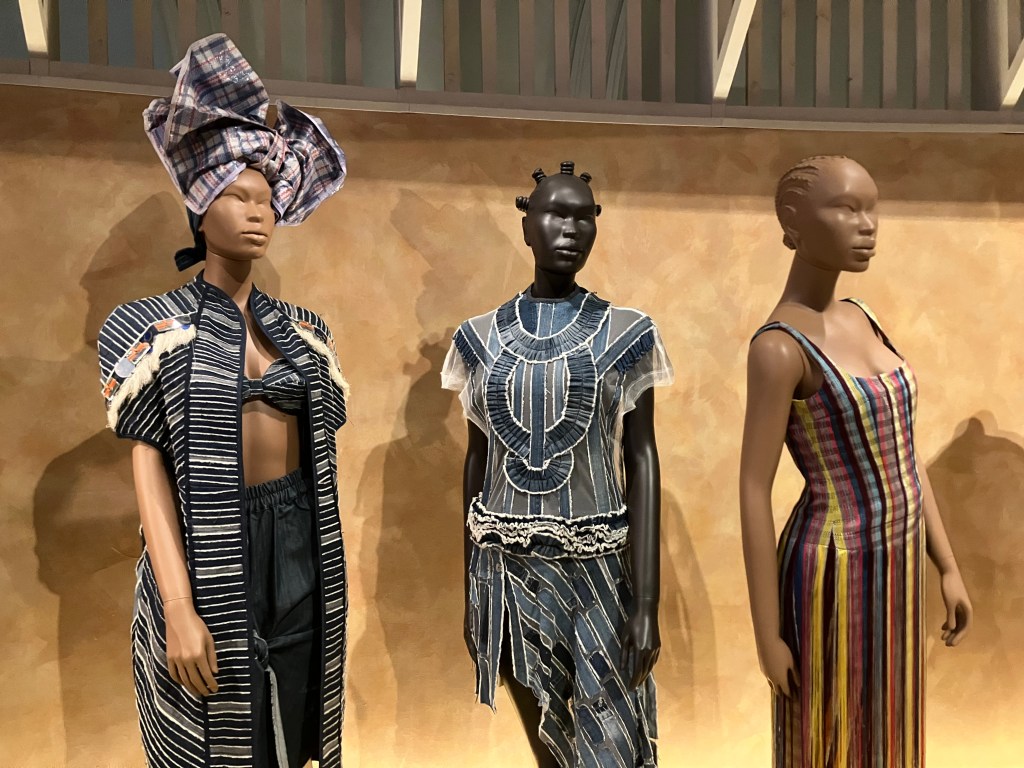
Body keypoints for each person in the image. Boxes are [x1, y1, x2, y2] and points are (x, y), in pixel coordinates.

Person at [97, 34, 349, 768]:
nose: (257, 213)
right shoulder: (149, 330)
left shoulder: (306, 333)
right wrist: (178, 605)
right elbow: (150, 473)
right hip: (207, 548)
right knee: (216, 730)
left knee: (297, 716)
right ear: (200, 211)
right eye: (237, 197)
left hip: (300, 542)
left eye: (266, 199)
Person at [739, 155, 973, 767]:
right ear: (794, 224)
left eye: (872, 208)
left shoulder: (863, 316)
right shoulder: (779, 349)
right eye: (846, 209)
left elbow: (903, 451)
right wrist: (767, 634)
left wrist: (946, 564)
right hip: (832, 571)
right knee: (833, 732)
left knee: (892, 727)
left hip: (899, 565)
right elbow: (753, 489)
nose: (868, 224)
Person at [442, 162, 673, 767]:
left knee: (611, 739)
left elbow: (642, 459)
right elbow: (476, 460)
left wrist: (647, 603)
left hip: (599, 575)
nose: (570, 229)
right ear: (527, 226)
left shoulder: (628, 334)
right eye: (555, 214)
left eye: (584, 217)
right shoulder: (477, 339)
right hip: (506, 575)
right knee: (548, 742)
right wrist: (471, 590)